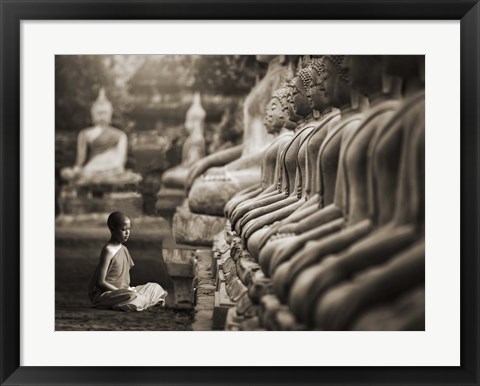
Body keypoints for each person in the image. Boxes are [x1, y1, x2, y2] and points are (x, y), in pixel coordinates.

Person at [88, 211, 167, 311]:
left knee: (156, 288)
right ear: (112, 229)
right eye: (123, 229)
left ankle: (137, 302)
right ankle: (137, 302)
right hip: (108, 294)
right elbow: (100, 282)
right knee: (134, 296)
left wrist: (128, 290)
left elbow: (124, 281)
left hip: (125, 292)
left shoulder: (124, 249)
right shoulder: (108, 250)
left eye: (129, 229)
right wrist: (120, 292)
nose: (127, 232)